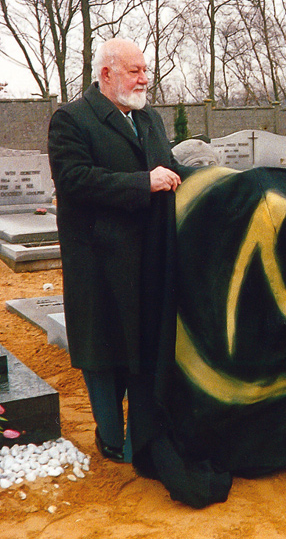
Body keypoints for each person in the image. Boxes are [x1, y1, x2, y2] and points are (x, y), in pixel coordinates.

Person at [48, 38, 186, 465]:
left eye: (146, 71)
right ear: (106, 74)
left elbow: (169, 169)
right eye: (134, 71)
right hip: (99, 262)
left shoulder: (149, 118)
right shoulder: (71, 119)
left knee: (143, 348)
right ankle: (109, 435)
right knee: (104, 351)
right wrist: (144, 183)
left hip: (148, 258)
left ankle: (140, 435)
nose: (144, 79)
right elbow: (75, 180)